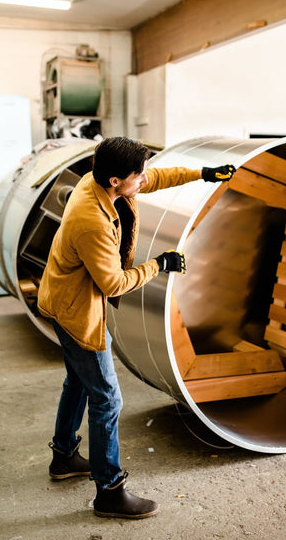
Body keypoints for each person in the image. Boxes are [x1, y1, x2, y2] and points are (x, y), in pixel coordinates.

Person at [37, 136, 235, 519]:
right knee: (108, 397)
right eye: (137, 175)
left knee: (79, 381)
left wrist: (203, 173)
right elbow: (112, 283)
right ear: (115, 181)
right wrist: (159, 264)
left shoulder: (102, 180)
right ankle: (109, 491)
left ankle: (63, 456)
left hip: (65, 296)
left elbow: (155, 176)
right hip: (76, 310)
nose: (144, 179)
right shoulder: (91, 220)